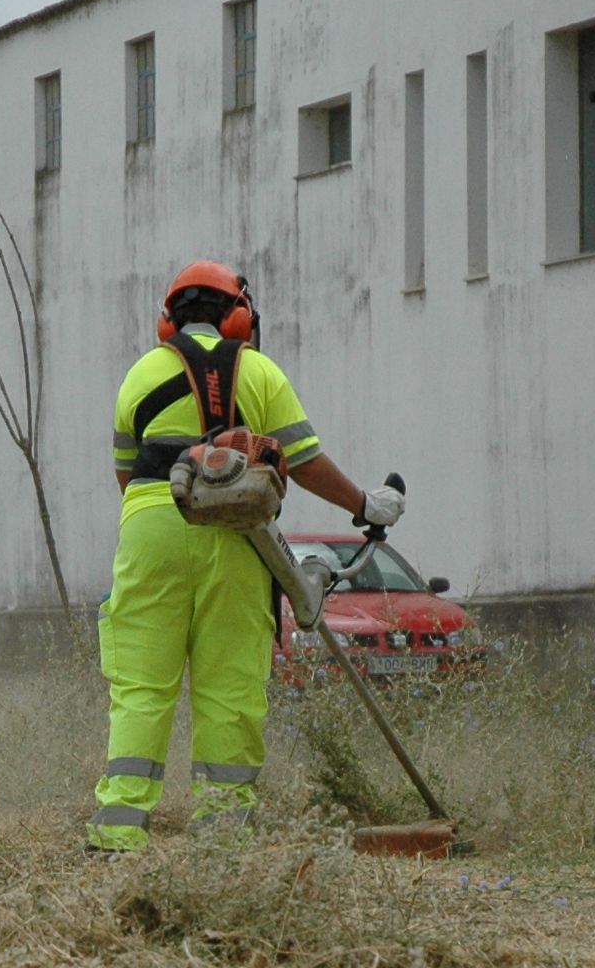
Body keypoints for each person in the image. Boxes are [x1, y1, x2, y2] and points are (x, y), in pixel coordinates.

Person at [87, 261, 402, 850]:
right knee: (229, 687)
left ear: (166, 322)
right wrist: (366, 504)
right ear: (238, 319)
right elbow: (304, 461)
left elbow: (126, 475)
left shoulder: (138, 376)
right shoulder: (258, 371)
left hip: (151, 528)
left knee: (141, 685)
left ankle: (118, 834)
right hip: (235, 537)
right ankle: (223, 837)